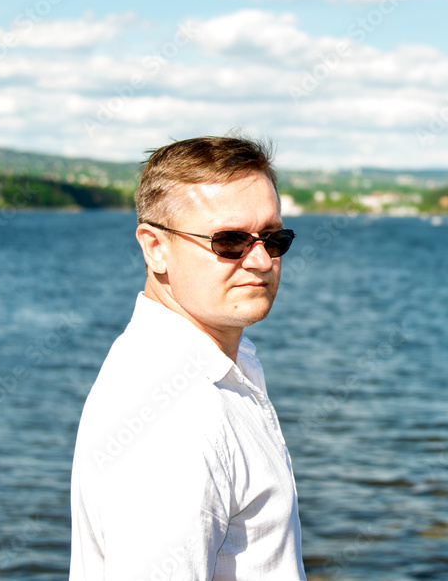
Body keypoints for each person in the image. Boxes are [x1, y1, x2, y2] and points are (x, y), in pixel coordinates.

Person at [70, 135, 306, 580]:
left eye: (273, 238)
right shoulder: (171, 415)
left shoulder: (216, 366)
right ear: (155, 247)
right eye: (230, 241)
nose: (259, 260)